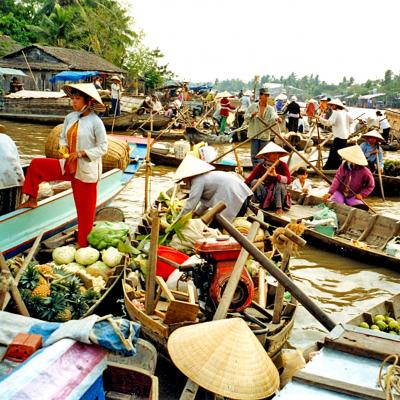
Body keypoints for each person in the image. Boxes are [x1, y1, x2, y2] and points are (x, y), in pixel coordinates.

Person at [18, 83, 108, 248]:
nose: (73, 102)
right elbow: (63, 138)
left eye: (78, 99)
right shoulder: (70, 117)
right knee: (36, 164)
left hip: (85, 170)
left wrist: (81, 153)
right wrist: (63, 147)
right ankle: (31, 198)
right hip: (68, 163)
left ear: (88, 101)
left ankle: (83, 245)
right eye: (72, 98)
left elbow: (103, 148)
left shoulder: (96, 122)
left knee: (85, 212)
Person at [175, 155, 252, 222]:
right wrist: (197, 213)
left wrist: (177, 220)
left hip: (236, 199)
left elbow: (191, 203)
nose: (184, 181)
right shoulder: (205, 177)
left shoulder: (197, 180)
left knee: (217, 225)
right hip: (243, 197)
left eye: (183, 178)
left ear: (188, 176)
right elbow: (206, 203)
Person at [244, 142, 291, 215]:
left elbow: (289, 180)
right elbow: (249, 179)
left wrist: (276, 176)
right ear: (266, 155)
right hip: (266, 194)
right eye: (272, 154)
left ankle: (279, 207)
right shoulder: (261, 166)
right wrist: (242, 190)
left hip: (279, 195)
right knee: (254, 182)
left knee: (280, 183)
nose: (275, 156)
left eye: (276, 153)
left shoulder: (283, 165)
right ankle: (264, 203)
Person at [322, 145, 375, 210]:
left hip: (353, 195)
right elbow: (337, 179)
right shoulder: (344, 166)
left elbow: (371, 185)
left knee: (361, 207)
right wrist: (330, 192)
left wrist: (362, 194)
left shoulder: (365, 172)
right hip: (340, 192)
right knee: (337, 204)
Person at [245, 88, 281, 167]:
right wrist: (252, 115)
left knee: (263, 156)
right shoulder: (253, 106)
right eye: (266, 95)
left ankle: (261, 172)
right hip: (254, 134)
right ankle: (256, 171)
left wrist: (277, 118)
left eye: (268, 95)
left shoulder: (270, 109)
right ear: (261, 96)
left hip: (264, 135)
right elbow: (246, 117)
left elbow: (274, 115)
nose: (268, 97)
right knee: (254, 156)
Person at [317, 98, 353, 170]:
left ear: (336, 106)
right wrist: (343, 125)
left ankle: (328, 168)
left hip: (339, 136)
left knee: (333, 153)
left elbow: (329, 123)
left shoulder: (336, 112)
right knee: (339, 154)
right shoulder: (345, 113)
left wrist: (319, 118)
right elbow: (351, 121)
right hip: (345, 137)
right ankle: (337, 168)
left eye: (333, 105)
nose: (332, 107)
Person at [0, 124, 25, 214]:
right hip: (16, 180)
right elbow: (16, 161)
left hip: (6, 181)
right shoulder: (7, 138)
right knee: (10, 208)